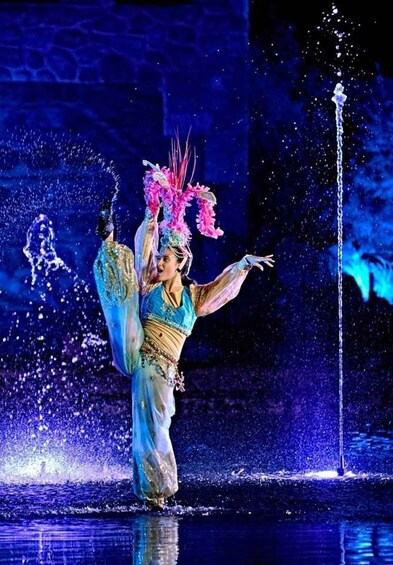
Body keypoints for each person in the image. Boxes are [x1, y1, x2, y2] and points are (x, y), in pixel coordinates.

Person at [92, 137, 274, 510]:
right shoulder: (149, 286)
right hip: (143, 362)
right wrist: (146, 217)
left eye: (165, 260)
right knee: (150, 429)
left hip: (167, 372)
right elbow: (143, 247)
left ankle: (157, 492)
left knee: (160, 425)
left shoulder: (194, 298)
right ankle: (156, 495)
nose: (159, 262)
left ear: (181, 263)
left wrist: (243, 264)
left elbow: (221, 289)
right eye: (159, 258)